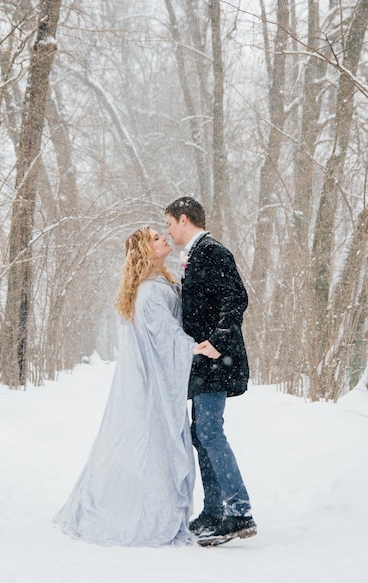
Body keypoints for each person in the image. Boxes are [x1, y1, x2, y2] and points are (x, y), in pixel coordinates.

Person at [54, 226, 202, 547]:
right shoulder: (150, 292)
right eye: (155, 238)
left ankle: (147, 504)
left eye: (162, 234)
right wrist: (194, 347)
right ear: (144, 252)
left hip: (147, 379)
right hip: (148, 382)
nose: (163, 238)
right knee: (153, 444)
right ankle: (143, 514)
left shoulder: (159, 283)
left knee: (154, 443)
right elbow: (166, 334)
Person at [165, 196, 257, 547]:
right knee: (200, 433)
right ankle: (214, 511)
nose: (168, 231)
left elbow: (236, 298)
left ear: (184, 219)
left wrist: (219, 341)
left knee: (209, 431)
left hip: (218, 358)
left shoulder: (213, 251)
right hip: (203, 363)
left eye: (170, 223)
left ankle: (239, 511)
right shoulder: (194, 253)